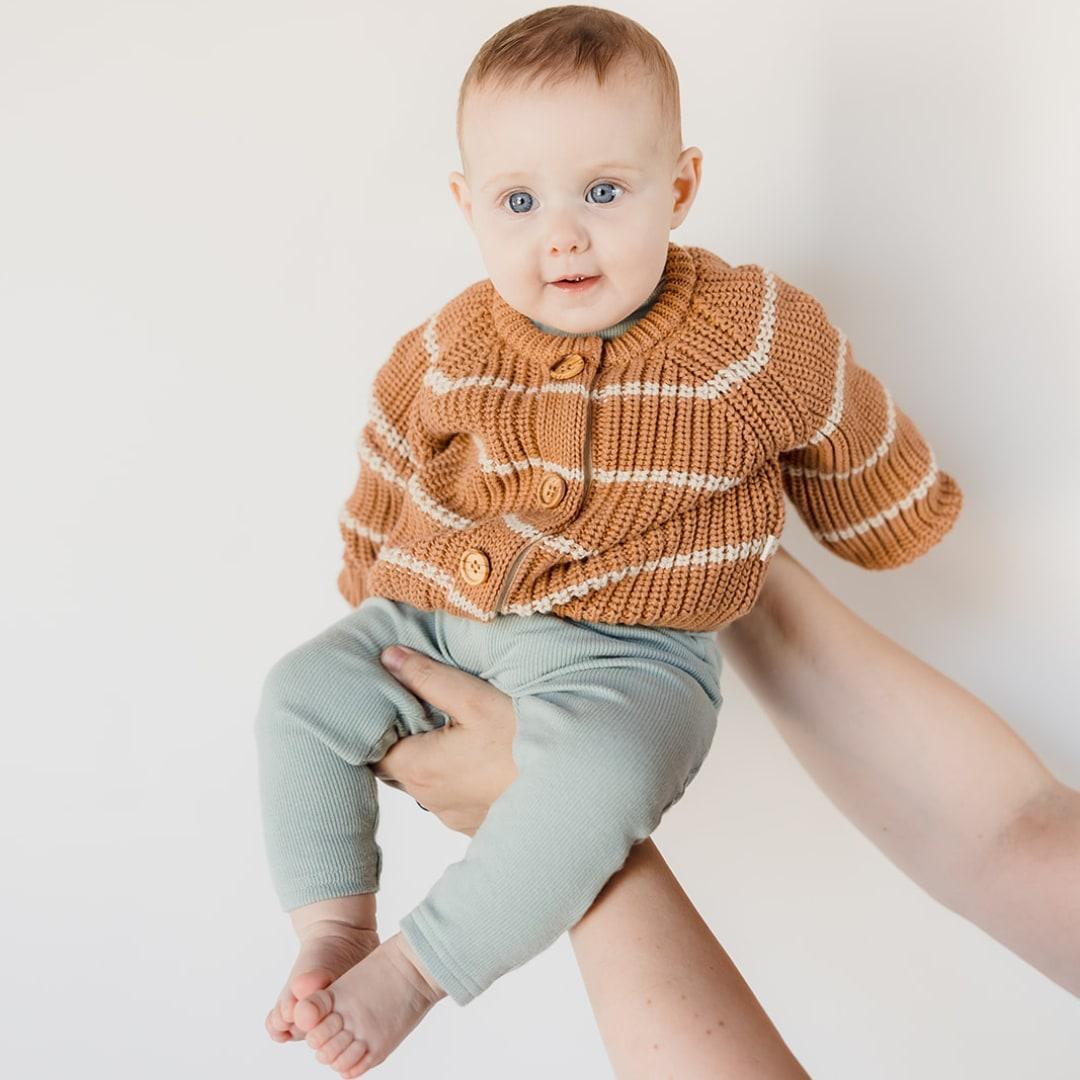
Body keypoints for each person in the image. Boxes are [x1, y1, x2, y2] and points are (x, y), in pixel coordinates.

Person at [255, 7, 966, 1076]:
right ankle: (334, 925)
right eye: (519, 200)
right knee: (297, 694)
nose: (564, 234)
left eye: (603, 191)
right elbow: (392, 462)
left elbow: (838, 416)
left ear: (678, 187)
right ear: (467, 206)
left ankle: (420, 967)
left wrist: (895, 513)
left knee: (597, 783)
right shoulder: (450, 342)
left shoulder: (749, 331)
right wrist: (369, 597)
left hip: (629, 660)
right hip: (439, 620)